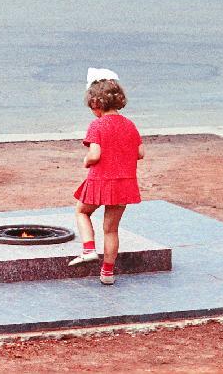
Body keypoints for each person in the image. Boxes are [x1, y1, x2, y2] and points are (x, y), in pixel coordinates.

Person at [68, 69, 144, 286]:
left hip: (101, 180)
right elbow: (140, 153)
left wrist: (86, 161)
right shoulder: (129, 124)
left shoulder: (97, 125)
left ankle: (88, 248)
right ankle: (108, 273)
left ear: (95, 104)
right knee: (111, 229)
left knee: (82, 211)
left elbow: (95, 154)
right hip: (125, 182)